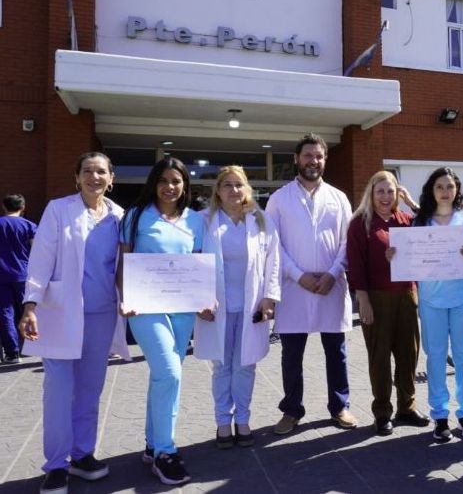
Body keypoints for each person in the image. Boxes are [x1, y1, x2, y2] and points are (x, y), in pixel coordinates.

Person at [18, 153, 128, 494]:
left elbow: (124, 265)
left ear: (111, 178)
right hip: (60, 312)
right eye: (87, 171)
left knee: (90, 389)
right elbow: (41, 259)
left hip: (102, 312)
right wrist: (30, 304)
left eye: (101, 172)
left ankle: (82, 455)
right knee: (59, 390)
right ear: (77, 177)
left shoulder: (119, 216)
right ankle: (55, 464)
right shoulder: (58, 209)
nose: (94, 177)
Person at [119, 157, 206, 486]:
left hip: (183, 308)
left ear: (185, 184)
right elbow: (123, 262)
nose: (170, 187)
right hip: (145, 306)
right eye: (164, 181)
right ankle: (165, 452)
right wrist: (124, 297)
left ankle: (152, 442)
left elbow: (197, 264)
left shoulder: (195, 221)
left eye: (177, 181)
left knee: (164, 375)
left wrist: (204, 300)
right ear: (153, 183)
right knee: (170, 371)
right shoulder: (136, 216)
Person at [266, 133, 357, 434]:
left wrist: (333, 272)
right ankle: (291, 410)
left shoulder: (339, 198)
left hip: (332, 284)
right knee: (292, 355)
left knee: (337, 352)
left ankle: (340, 406)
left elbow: (349, 241)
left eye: (318, 156)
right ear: (296, 159)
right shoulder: (279, 199)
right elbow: (272, 243)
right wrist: (297, 274)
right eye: (307, 155)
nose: (312, 161)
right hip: (295, 287)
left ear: (324, 160)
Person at [194, 166, 281, 448]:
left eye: (239, 185)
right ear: (217, 191)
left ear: (247, 189)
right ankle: (222, 423)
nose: (234, 190)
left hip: (251, 307)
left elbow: (274, 261)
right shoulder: (202, 221)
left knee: (245, 365)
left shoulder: (261, 220)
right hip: (216, 308)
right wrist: (197, 299)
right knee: (221, 367)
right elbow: (191, 260)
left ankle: (242, 421)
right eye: (227, 185)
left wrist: (269, 297)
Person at [346, 171, 430, 436]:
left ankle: (407, 406)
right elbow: (355, 265)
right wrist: (363, 301)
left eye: (391, 191)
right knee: (379, 357)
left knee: (408, 355)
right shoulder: (360, 223)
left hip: (407, 295)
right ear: (371, 193)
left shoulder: (406, 220)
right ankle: (382, 412)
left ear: (398, 193)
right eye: (380, 191)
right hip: (376, 298)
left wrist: (411, 202)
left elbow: (431, 227)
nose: (385, 196)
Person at [413, 167, 463, 441]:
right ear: (432, 190)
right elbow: (409, 258)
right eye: (440, 186)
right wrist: (395, 254)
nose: (445, 191)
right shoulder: (420, 222)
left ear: (457, 190)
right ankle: (439, 415)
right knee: (436, 356)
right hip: (431, 299)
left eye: (450, 186)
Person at [0, 194, 37, 364]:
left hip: (2, 276)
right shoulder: (29, 226)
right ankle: (32, 346)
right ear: (22, 207)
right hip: (24, 274)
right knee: (28, 310)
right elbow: (39, 251)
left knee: (5, 313)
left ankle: (12, 353)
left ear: (4, 207)